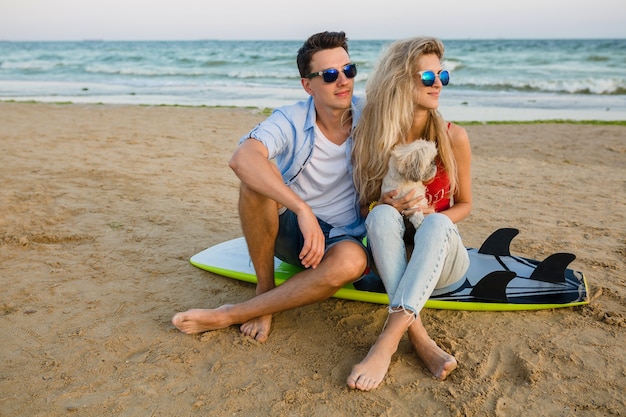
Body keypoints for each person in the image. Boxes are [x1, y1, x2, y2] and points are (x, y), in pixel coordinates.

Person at [172, 31, 372, 343]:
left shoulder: (371, 114)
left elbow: (419, 119)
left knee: (353, 262)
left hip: (341, 239)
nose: (343, 81)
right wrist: (302, 210)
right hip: (293, 233)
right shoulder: (291, 118)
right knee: (255, 183)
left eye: (350, 70)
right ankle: (265, 288)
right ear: (308, 85)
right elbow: (243, 158)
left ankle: (232, 313)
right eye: (330, 75)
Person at [348, 36, 473, 391]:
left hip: (444, 263)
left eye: (442, 77)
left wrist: (432, 211)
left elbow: (466, 203)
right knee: (380, 216)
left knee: (435, 222)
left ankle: (386, 343)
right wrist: (382, 204)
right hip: (396, 263)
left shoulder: (454, 137)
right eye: (428, 78)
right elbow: (363, 208)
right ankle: (418, 336)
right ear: (401, 81)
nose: (438, 85)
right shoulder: (373, 138)